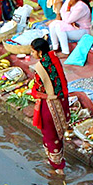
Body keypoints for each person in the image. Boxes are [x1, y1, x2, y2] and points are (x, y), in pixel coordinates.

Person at [29, 36, 70, 170]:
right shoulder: (55, 59)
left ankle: (57, 167)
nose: (32, 54)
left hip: (49, 104)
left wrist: (33, 91)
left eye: (33, 51)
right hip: (62, 102)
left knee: (50, 135)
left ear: (40, 52)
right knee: (58, 136)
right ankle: (58, 162)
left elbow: (38, 89)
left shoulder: (39, 67)